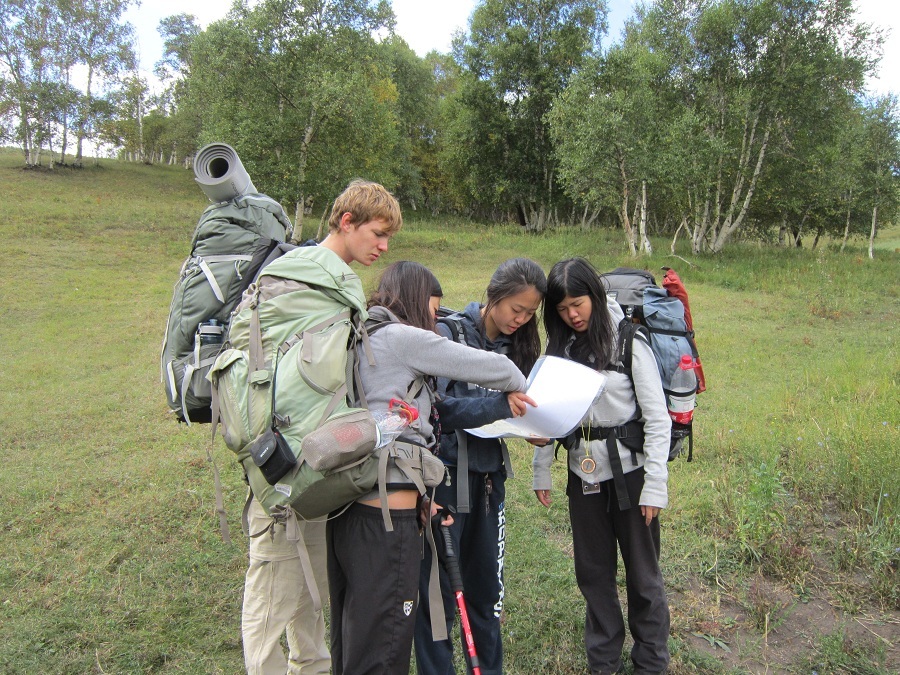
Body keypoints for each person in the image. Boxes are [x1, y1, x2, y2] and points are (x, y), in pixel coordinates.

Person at [328, 261, 530, 675]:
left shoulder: (359, 336)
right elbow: (499, 369)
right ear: (415, 301)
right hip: (388, 504)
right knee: (388, 630)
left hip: (351, 496)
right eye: (433, 311)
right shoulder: (400, 336)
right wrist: (523, 390)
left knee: (357, 624)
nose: (434, 323)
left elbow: (436, 412)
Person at [242, 180, 402, 675]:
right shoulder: (304, 281)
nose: (383, 247)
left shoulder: (325, 284)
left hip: (315, 458)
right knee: (272, 590)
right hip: (284, 464)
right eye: (377, 233)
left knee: (310, 583)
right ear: (347, 222)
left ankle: (310, 667)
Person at [532, 257, 671, 675]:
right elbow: (548, 413)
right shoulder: (562, 348)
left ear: (594, 294)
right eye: (562, 309)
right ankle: (603, 662)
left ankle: (651, 662)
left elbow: (657, 418)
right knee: (593, 573)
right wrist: (542, 469)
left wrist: (656, 485)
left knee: (643, 574)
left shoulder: (629, 341)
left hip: (631, 475)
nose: (572, 315)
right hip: (583, 473)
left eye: (577, 304)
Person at [415, 258, 547, 675]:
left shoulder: (517, 349)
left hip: (489, 483)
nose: (520, 320)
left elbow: (517, 411)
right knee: (438, 595)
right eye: (516, 309)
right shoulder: (447, 335)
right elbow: (437, 410)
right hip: (444, 479)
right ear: (494, 296)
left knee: (487, 594)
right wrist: (498, 406)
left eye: (529, 313)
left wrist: (534, 428)